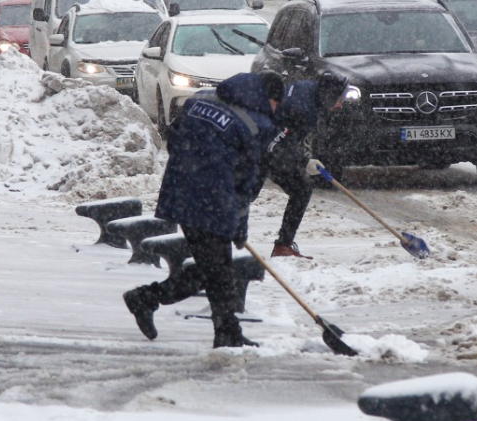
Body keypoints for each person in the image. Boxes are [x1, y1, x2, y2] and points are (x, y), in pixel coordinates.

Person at [122, 71, 283, 348]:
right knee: (218, 272)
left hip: (181, 190)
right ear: (268, 98)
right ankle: (220, 330)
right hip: (213, 202)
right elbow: (246, 183)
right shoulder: (257, 124)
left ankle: (152, 301)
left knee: (214, 270)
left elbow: (173, 137)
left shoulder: (202, 98)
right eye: (276, 104)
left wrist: (193, 163)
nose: (275, 111)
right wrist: (239, 227)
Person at [264, 72, 350, 258]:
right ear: (328, 95)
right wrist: (304, 161)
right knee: (300, 188)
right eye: (339, 98)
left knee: (300, 187)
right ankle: (282, 246)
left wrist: (302, 157)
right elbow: (277, 144)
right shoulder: (302, 110)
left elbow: (290, 138)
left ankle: (283, 245)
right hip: (261, 146)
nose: (341, 104)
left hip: (268, 140)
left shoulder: (310, 90)